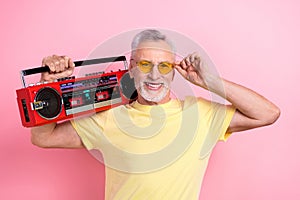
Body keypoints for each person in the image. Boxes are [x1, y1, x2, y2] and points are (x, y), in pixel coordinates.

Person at [31, 29, 280, 199]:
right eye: (144, 64)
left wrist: (210, 81)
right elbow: (43, 137)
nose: (154, 75)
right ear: (131, 68)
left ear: (174, 72)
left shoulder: (199, 114)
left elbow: (267, 113)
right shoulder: (109, 118)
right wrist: (45, 89)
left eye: (164, 66)